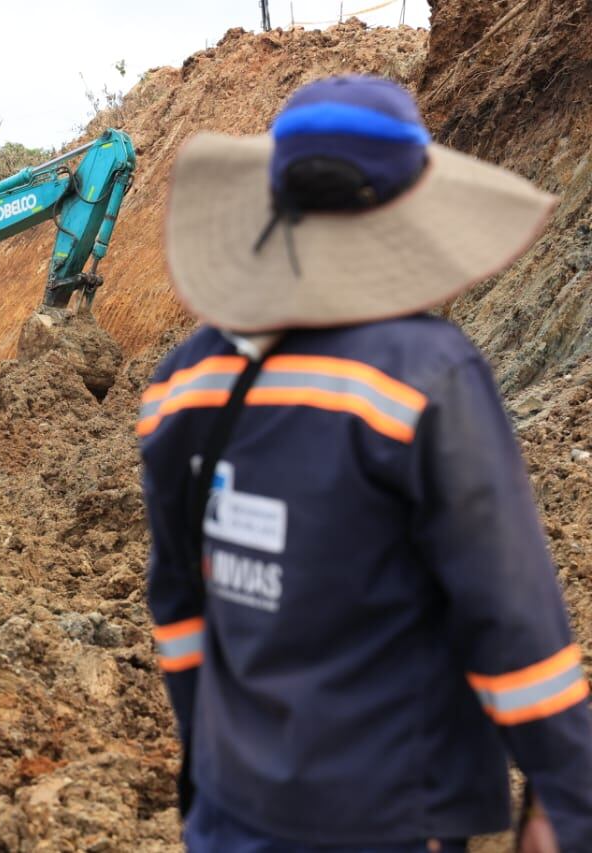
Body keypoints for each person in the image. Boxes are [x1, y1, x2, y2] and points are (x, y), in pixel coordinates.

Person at [139, 75, 592, 852]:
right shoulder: (424, 377)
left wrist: (214, 757)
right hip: (384, 817)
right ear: (402, 214)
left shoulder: (181, 384)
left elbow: (178, 614)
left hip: (229, 813)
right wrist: (573, 799)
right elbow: (512, 627)